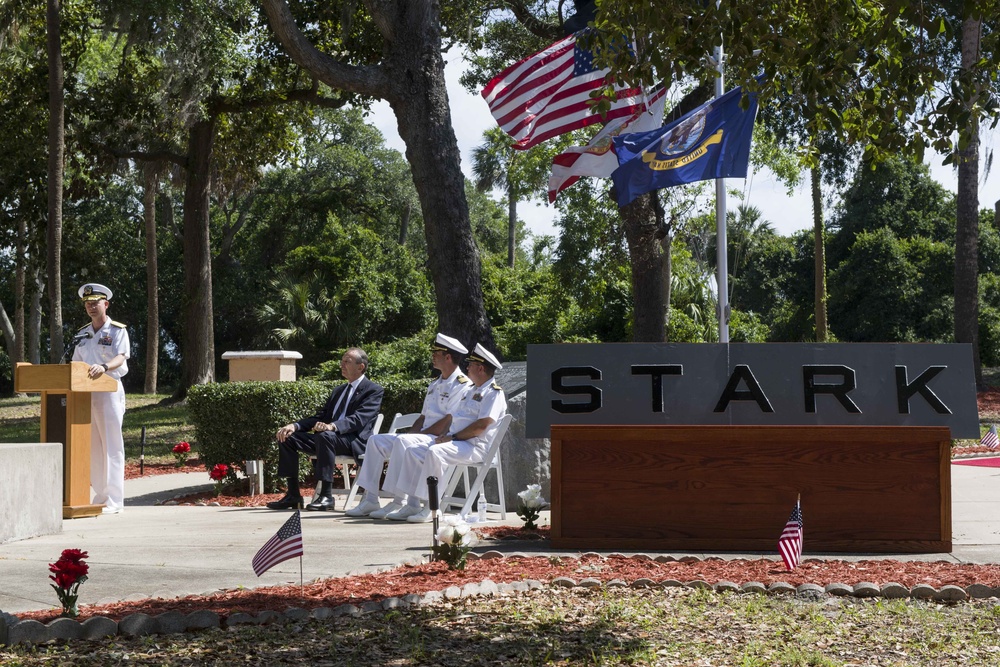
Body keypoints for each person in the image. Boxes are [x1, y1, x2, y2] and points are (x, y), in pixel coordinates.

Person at [344, 333, 469, 519]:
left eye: (436, 352)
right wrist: (410, 434)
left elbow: (448, 420)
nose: (433, 355)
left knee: (404, 441)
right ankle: (370, 499)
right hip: (423, 435)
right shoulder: (435, 384)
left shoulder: (462, 384)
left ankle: (400, 501)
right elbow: (423, 417)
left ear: (448, 357)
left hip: (440, 437)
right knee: (376, 441)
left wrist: (411, 437)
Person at [396, 343, 507, 523]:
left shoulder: (493, 393)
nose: (467, 367)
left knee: (434, 452)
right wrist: (445, 436)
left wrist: (451, 437)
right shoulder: (471, 390)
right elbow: (455, 418)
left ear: (480, 368)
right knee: (413, 451)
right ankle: (412, 503)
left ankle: (432, 506)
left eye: (470, 365)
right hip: (456, 442)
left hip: (474, 446)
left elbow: (481, 425)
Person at [268, 347, 383, 511]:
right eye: (342, 361)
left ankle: (327, 496)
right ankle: (293, 495)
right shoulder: (339, 390)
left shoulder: (373, 390)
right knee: (287, 437)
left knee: (325, 436)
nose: (341, 365)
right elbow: (320, 417)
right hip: (328, 439)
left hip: (353, 441)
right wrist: (295, 426)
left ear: (360, 367)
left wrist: (333, 426)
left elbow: (360, 418)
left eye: (347, 361)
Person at [72, 283, 131, 515]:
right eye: (88, 303)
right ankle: (100, 496)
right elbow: (76, 363)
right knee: (93, 446)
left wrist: (104, 366)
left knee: (111, 445)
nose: (91, 307)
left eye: (95, 302)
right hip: (86, 394)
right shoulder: (82, 333)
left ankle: (115, 500)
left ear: (105, 304)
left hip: (109, 391)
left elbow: (121, 357)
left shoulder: (117, 330)